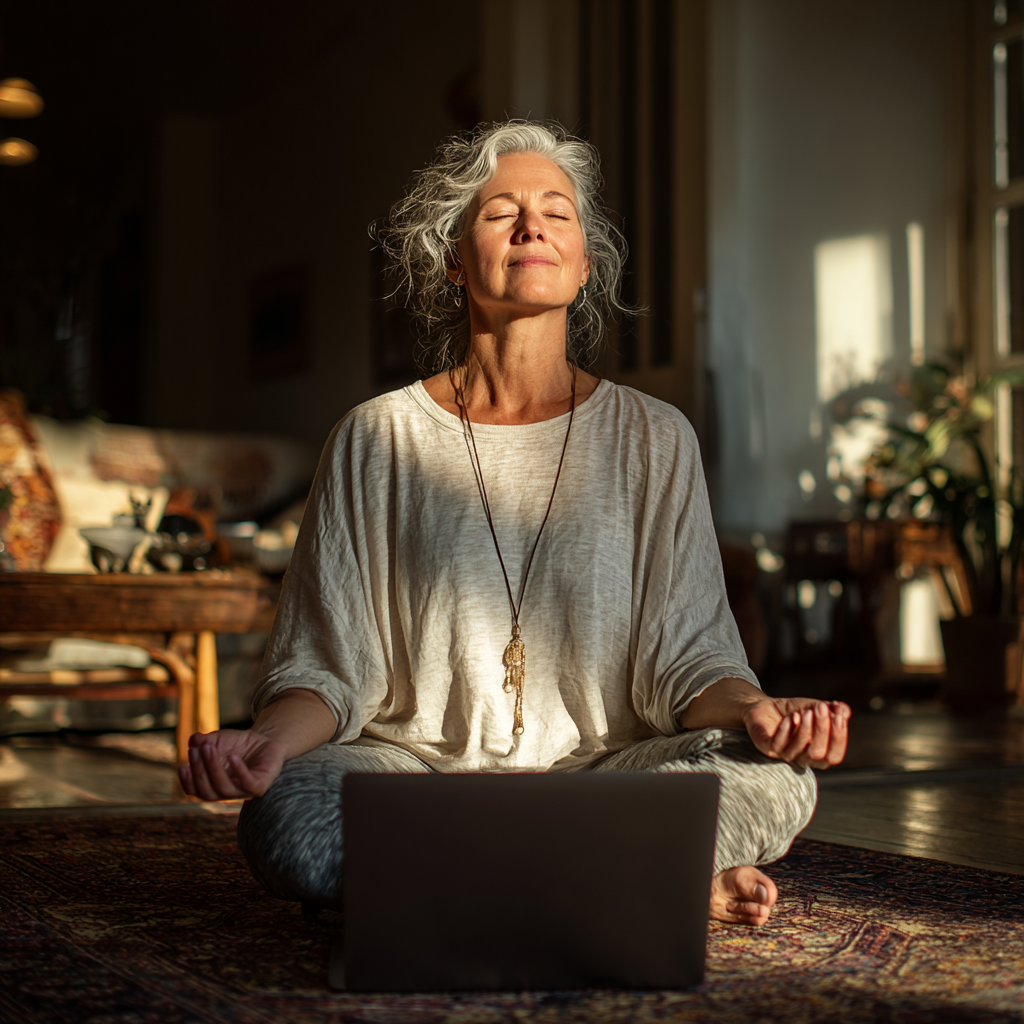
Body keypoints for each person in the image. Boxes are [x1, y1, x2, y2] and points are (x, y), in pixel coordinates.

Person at [179, 121, 851, 928]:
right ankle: (637, 876)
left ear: (584, 262)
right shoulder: (376, 437)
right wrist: (270, 745)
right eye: (502, 212)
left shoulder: (655, 436)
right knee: (288, 816)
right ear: (455, 260)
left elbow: (692, 658)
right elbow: (325, 668)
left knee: (778, 780)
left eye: (556, 212)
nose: (532, 224)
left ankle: (474, 880)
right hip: (416, 777)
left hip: (613, 774)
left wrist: (759, 714)